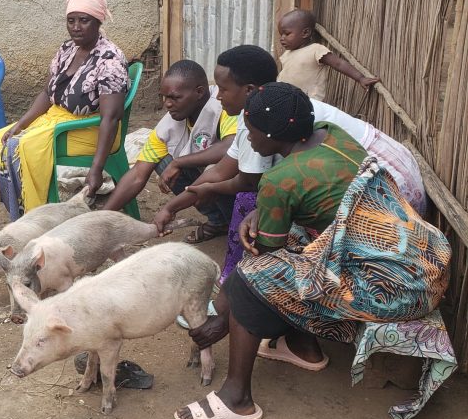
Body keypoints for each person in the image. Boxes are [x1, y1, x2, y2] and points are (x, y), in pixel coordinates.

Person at [174, 84, 449, 419]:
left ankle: (237, 399)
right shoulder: (333, 136)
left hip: (394, 290)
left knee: (250, 278)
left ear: (271, 134)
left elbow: (264, 264)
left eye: (251, 130)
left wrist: (223, 318)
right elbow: (320, 196)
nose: (249, 138)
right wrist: (262, 210)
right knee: (295, 240)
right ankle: (302, 347)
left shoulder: (280, 180)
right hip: (424, 263)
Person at [153, 45, 426, 292]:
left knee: (260, 212)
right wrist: (173, 206)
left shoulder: (260, 125)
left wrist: (187, 199)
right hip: (390, 176)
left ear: (248, 90)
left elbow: (242, 182)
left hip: (392, 200)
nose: (218, 95)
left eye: (223, 89)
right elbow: (223, 170)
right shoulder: (276, 105)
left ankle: (253, 288)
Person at [0, 0, 129, 219]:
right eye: (71, 21)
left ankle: (35, 214)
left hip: (90, 128)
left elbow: (110, 118)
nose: (76, 27)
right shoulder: (67, 49)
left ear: (98, 21)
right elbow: (47, 93)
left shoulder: (109, 59)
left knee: (22, 148)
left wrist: (96, 169)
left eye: (84, 21)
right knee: (1, 138)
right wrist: (21, 123)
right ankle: (20, 210)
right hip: (58, 120)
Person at [100, 59, 236, 243]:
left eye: (174, 97)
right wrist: (100, 218)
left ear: (199, 92)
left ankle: (235, 220)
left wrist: (179, 162)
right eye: (164, 97)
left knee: (211, 168)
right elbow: (138, 174)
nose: (167, 104)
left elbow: (231, 147)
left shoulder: (224, 107)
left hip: (239, 182)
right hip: (209, 177)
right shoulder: (168, 124)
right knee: (164, 162)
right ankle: (219, 221)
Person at [277, 9, 379, 101]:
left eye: (286, 34)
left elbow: (338, 64)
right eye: (281, 34)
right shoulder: (287, 54)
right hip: (286, 100)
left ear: (305, 33)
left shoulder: (315, 50)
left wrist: (360, 78)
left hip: (309, 102)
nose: (282, 38)